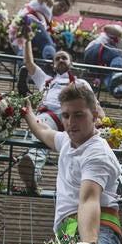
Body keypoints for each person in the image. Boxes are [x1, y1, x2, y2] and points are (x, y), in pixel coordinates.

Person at [22, 81, 121, 244]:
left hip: (96, 230)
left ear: (95, 115)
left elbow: (89, 201)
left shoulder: (97, 153)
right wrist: (27, 112)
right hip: (68, 231)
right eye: (66, 116)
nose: (71, 122)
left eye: (78, 115)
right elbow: (43, 130)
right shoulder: (67, 141)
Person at [17, 40, 99, 194]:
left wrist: (103, 121)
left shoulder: (81, 82)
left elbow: (94, 104)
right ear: (53, 65)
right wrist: (27, 39)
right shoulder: (46, 80)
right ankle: (33, 170)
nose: (61, 60)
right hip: (51, 115)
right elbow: (28, 62)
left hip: (75, 116)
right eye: (57, 58)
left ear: (71, 64)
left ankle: (86, 178)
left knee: (83, 148)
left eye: (64, 58)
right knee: (40, 126)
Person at [10, 0, 70, 70]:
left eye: (64, 10)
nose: (61, 9)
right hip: (31, 21)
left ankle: (23, 69)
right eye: (61, 5)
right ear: (55, 1)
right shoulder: (48, 4)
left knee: (22, 49)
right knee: (48, 45)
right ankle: (50, 66)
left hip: (17, 26)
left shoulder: (49, 18)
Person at [83, 24, 122, 98]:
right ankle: (116, 74)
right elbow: (107, 28)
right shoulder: (120, 33)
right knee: (118, 59)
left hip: (97, 64)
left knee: (109, 76)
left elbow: (121, 62)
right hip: (95, 49)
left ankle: (117, 90)